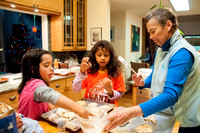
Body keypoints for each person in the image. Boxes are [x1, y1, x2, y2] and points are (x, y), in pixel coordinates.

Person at [104, 8, 200, 133]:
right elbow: (156, 74)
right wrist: (143, 83)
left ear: (168, 25)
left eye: (153, 31)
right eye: (149, 33)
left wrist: (131, 111)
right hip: (164, 115)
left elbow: (171, 95)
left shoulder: (182, 53)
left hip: (184, 122)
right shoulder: (161, 49)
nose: (151, 37)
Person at [17, 49, 91, 120]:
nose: (51, 68)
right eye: (46, 66)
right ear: (33, 69)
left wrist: (47, 104)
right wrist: (80, 109)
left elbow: (34, 99)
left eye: (51, 64)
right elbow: (50, 95)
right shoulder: (36, 85)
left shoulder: (28, 82)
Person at [72, 40, 126, 106]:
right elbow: (75, 89)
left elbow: (119, 95)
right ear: (94, 56)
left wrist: (111, 91)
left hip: (109, 109)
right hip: (90, 108)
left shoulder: (116, 73)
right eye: (99, 55)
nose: (102, 58)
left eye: (106, 55)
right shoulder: (88, 72)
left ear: (110, 57)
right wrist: (81, 73)